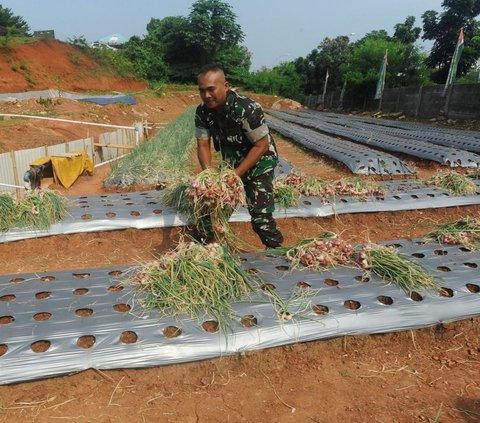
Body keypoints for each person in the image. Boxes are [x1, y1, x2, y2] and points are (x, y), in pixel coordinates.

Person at [194, 63, 284, 249]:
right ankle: (208, 251)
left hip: (259, 162)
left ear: (225, 85)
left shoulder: (247, 108)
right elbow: (203, 144)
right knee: (214, 209)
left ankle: (278, 253)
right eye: (202, 91)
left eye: (211, 89)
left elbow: (261, 145)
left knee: (260, 219)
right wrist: (210, 177)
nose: (206, 96)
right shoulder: (203, 112)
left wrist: (236, 175)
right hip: (231, 163)